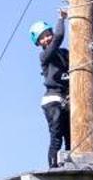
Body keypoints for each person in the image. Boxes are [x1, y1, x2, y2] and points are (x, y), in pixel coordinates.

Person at [29, 13, 70, 167]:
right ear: (39, 43)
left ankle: (68, 164)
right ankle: (53, 166)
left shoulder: (65, 53)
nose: (47, 38)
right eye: (43, 37)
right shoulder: (45, 55)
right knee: (57, 135)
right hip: (53, 99)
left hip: (66, 99)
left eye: (48, 34)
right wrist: (61, 18)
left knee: (70, 135)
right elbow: (58, 37)